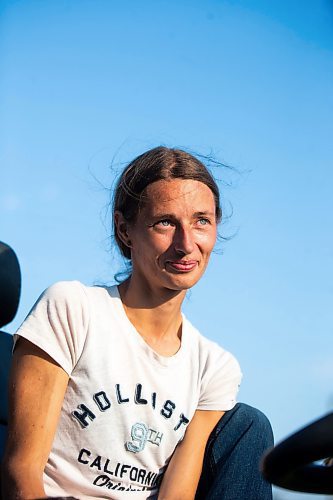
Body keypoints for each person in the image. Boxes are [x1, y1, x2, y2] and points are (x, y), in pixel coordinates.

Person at [1, 146, 273, 499]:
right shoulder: (73, 308)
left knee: (250, 423)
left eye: (201, 221)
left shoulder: (215, 367)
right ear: (125, 230)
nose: (186, 244)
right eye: (166, 222)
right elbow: (20, 470)